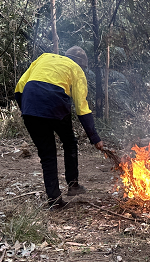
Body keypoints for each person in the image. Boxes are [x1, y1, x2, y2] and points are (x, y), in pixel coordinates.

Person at [14, 46, 104, 207]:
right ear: (81, 63)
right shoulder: (76, 69)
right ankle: (73, 185)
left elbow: (20, 85)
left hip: (30, 105)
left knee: (47, 154)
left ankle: (54, 200)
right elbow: (82, 108)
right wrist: (95, 138)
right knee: (69, 142)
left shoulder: (44, 58)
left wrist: (27, 109)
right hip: (55, 103)